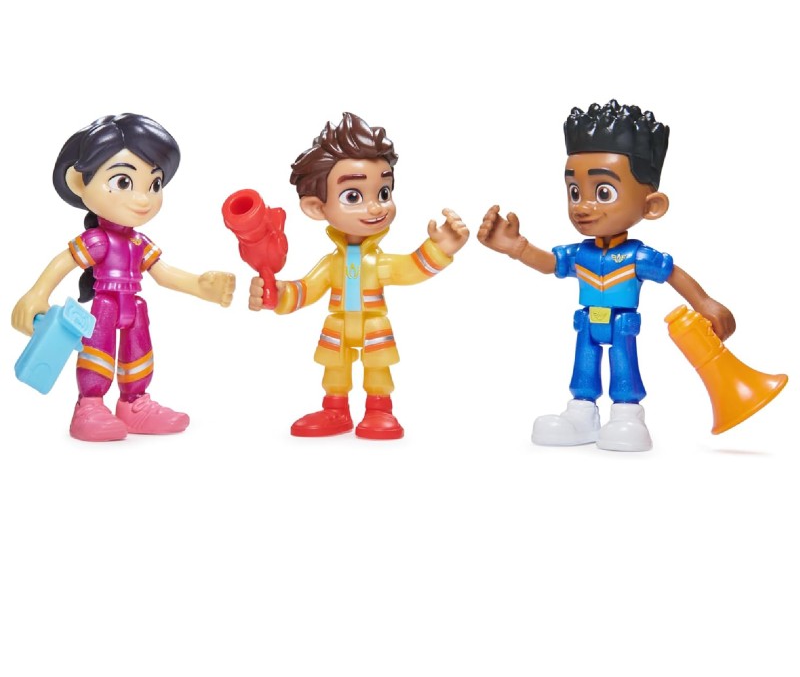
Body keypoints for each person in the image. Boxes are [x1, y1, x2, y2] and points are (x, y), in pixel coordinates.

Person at [478, 100, 734, 452]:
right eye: (574, 191)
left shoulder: (637, 256)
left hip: (622, 323)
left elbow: (672, 273)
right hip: (587, 321)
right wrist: (517, 247)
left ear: (652, 206)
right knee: (584, 363)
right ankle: (581, 413)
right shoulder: (580, 253)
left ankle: (628, 414)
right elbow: (551, 263)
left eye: (603, 192)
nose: (582, 206)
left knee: (623, 363)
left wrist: (704, 303)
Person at [12, 113, 235, 442]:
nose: (143, 198)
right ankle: (90, 405)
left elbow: (163, 273)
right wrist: (37, 293)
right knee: (98, 352)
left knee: (138, 351)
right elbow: (63, 262)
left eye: (154, 184)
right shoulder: (97, 241)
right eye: (123, 182)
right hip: (105, 305)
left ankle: (134, 404)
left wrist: (201, 286)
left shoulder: (139, 243)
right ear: (79, 182)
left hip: (133, 305)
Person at [249, 111, 469, 440]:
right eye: (353, 196)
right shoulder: (331, 264)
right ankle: (335, 410)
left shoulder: (378, 263)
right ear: (316, 207)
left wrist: (440, 249)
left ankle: (379, 410)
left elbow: (411, 268)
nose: (377, 207)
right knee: (334, 369)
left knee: (378, 369)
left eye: (384, 193)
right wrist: (278, 293)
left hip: (373, 326)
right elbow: (307, 288)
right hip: (337, 326)